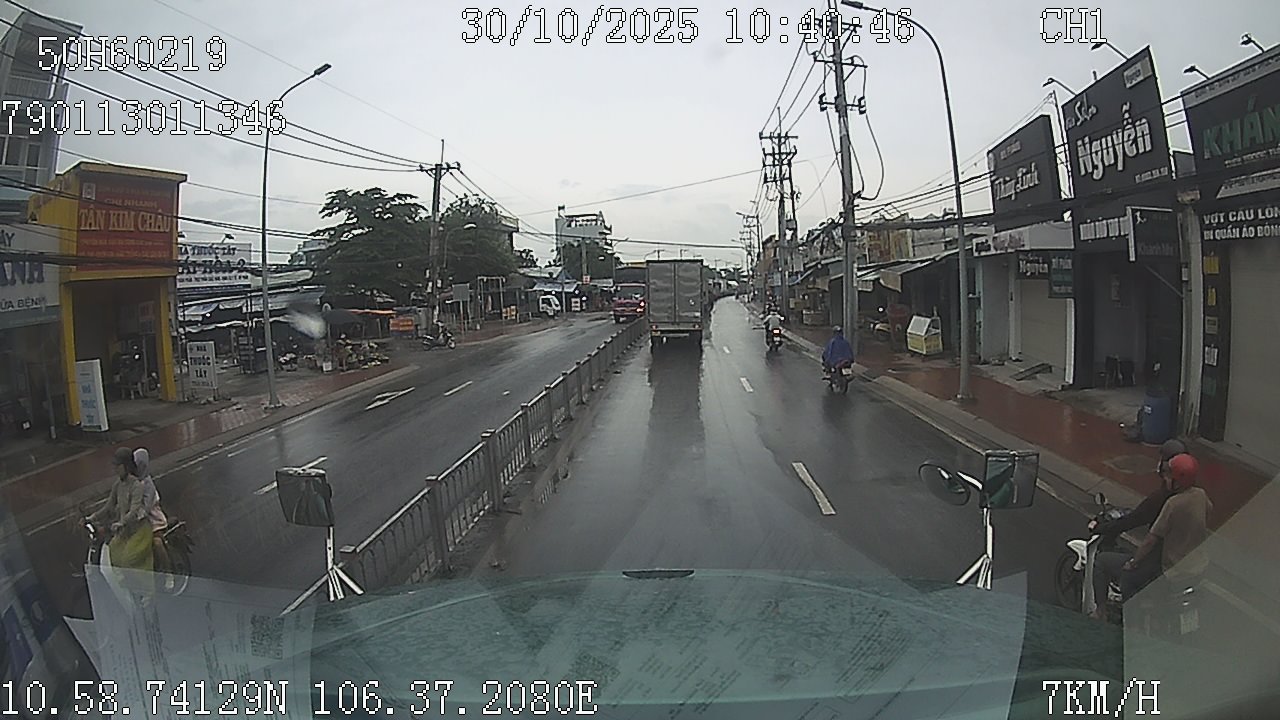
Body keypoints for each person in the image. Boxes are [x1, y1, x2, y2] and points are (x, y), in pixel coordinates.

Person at [1092, 452, 1213, 620]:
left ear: (1177, 480)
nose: (1166, 478)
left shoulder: (1172, 504)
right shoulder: (1201, 495)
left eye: (1170, 475)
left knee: (1114, 570)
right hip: (1197, 567)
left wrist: (1133, 563)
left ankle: (1113, 616)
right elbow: (1208, 512)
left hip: (1171, 569)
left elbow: (1150, 539)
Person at [89, 448, 154, 575]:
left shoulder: (137, 485)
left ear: (127, 466)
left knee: (129, 559)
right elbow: (109, 506)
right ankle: (125, 584)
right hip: (126, 529)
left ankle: (147, 586)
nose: (115, 469)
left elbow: (135, 510)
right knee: (113, 553)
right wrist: (92, 517)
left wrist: (121, 522)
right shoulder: (118, 485)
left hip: (139, 528)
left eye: (118, 466)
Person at [133, 448, 174, 589]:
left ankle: (169, 574)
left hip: (154, 522)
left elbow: (146, 507)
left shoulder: (148, 485)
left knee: (157, 543)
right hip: (139, 523)